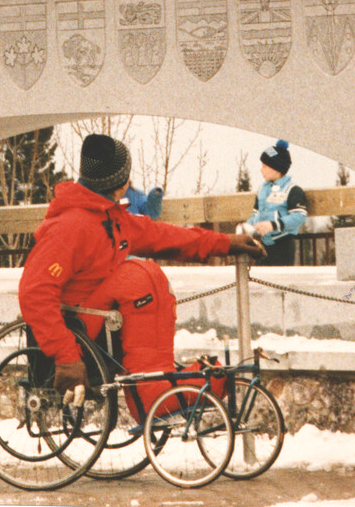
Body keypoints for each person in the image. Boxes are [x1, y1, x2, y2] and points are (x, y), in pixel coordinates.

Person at [19, 133, 264, 418]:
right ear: (123, 182)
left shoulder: (107, 218)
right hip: (75, 331)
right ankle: (153, 395)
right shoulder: (71, 227)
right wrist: (66, 356)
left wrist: (225, 243)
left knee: (144, 275)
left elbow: (166, 236)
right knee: (138, 279)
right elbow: (34, 293)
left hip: (98, 323)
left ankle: (160, 384)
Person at [241, 140, 308, 266]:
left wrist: (274, 225)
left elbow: (299, 216)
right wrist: (247, 228)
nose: (261, 170)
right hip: (263, 245)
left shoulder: (292, 190)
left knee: (279, 280)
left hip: (283, 245)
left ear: (276, 169)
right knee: (261, 280)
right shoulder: (262, 190)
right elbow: (256, 214)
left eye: (265, 166)